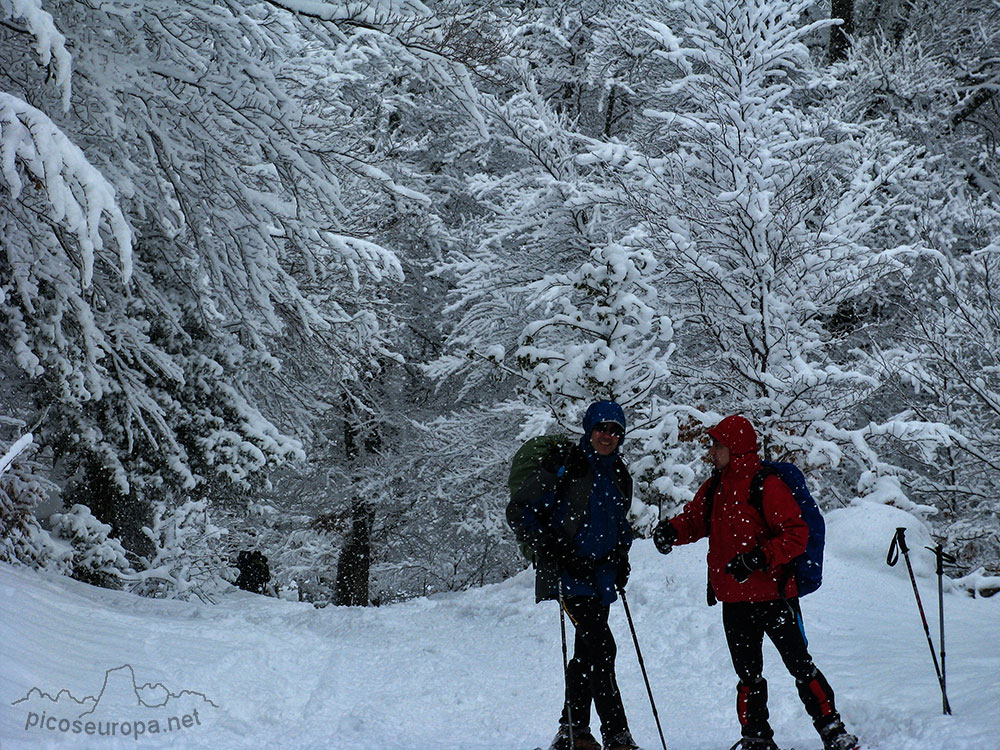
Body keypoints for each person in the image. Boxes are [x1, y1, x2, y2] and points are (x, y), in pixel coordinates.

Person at [652, 415, 859, 750]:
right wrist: (671, 532)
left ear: (734, 447)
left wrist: (759, 557)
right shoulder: (717, 485)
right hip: (735, 600)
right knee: (748, 678)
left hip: (774, 597)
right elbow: (694, 520)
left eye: (717, 444)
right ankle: (756, 738)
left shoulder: (765, 484)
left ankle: (833, 731)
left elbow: (797, 534)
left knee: (801, 667)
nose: (711, 450)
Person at [507, 401, 639, 750]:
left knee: (587, 654)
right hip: (569, 577)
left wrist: (621, 558)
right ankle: (616, 734)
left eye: (614, 430)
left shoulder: (619, 475)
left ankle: (572, 732)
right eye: (601, 428)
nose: (606, 436)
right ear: (589, 429)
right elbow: (520, 511)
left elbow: (620, 524)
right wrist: (553, 549)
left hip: (602, 579)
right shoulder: (566, 467)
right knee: (602, 647)